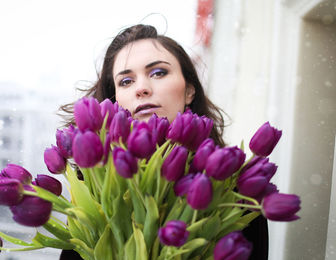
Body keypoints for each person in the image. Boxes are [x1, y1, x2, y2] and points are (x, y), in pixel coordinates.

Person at [59, 24, 268, 260]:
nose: (142, 89)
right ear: (114, 100)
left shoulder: (232, 189)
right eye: (126, 81)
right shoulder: (94, 187)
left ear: (189, 90)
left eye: (158, 73)